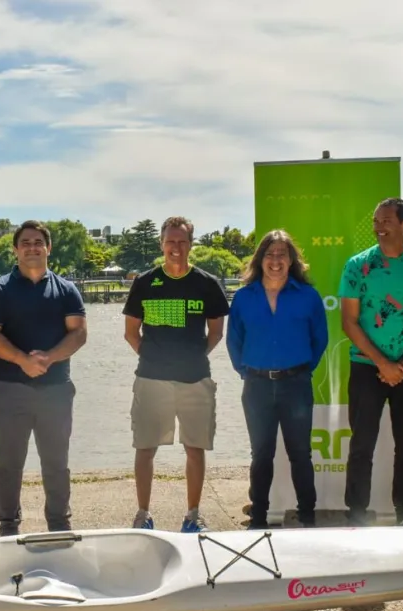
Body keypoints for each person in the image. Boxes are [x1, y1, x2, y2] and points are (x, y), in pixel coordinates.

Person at [0, 220, 87, 537]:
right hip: (9, 389)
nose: (32, 248)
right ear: (15, 249)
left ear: (48, 248)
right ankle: (8, 525)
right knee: (9, 463)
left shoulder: (66, 290)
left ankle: (59, 523)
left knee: (56, 462)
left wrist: (49, 358)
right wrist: (22, 360)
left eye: (38, 242)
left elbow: (78, 333)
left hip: (56, 390)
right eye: (25, 243)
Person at [339, 198, 403, 526]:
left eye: (386, 221)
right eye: (376, 221)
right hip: (366, 367)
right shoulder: (357, 265)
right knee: (361, 446)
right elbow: (349, 322)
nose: (379, 227)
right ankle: (356, 515)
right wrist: (382, 363)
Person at [123, 216, 230, 533]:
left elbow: (216, 333)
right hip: (151, 378)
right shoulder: (145, 283)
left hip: (195, 379)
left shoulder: (207, 283)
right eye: (170, 241)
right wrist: (155, 358)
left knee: (195, 448)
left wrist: (191, 358)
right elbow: (131, 333)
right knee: (145, 448)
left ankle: (192, 516)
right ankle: (143, 515)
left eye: (182, 241)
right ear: (161, 244)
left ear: (191, 244)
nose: (176, 247)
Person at [226, 230, 328, 529]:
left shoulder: (308, 296)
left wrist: (301, 370)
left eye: (282, 254)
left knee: (301, 454)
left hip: (296, 385)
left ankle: (307, 517)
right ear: (260, 260)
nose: (275, 261)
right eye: (269, 254)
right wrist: (247, 372)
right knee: (261, 455)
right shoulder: (244, 297)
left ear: (291, 260)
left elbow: (320, 339)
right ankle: (258, 518)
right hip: (256, 387)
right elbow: (234, 341)